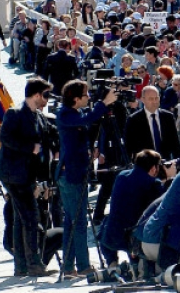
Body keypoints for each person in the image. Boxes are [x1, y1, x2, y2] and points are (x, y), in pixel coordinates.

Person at [0, 78, 56, 277]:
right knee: (30, 217)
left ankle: (21, 265)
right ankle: (33, 264)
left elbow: (48, 134)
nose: (47, 100)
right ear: (36, 95)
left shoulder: (38, 115)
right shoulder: (15, 113)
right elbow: (6, 137)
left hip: (26, 174)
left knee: (21, 219)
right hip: (14, 173)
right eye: (45, 95)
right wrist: (31, 147)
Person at [55, 79, 117, 279]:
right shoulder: (65, 114)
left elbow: (88, 122)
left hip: (77, 173)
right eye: (86, 95)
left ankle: (68, 267)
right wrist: (103, 104)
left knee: (72, 223)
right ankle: (81, 266)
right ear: (75, 98)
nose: (88, 97)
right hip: (70, 175)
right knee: (78, 223)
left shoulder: (76, 113)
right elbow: (85, 121)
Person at [98, 149, 173, 265]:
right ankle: (137, 265)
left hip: (110, 235)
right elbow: (162, 204)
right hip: (132, 240)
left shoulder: (121, 176)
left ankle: (112, 262)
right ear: (153, 168)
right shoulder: (154, 184)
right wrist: (169, 178)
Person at [125, 86, 180, 161]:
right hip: (144, 165)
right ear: (142, 99)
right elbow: (129, 146)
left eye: (156, 98)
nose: (154, 101)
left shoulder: (168, 117)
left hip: (165, 163)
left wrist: (178, 162)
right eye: (151, 99)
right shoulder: (134, 119)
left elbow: (175, 143)